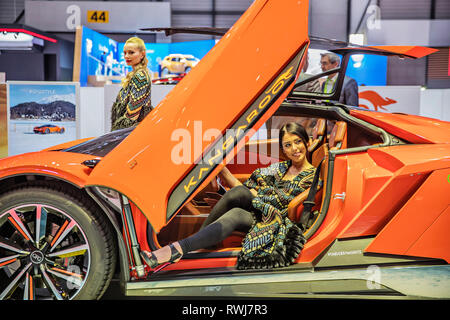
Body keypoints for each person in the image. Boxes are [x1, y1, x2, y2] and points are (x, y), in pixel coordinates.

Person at [140, 122, 317, 270]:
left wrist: (255, 193)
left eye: (298, 142)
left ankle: (178, 249)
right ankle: (195, 244)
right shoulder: (281, 168)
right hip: (261, 211)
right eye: (288, 145)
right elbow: (251, 189)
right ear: (283, 149)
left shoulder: (311, 176)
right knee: (238, 193)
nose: (294, 148)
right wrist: (220, 170)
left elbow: (281, 202)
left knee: (237, 211)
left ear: (307, 142)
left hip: (278, 219)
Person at [111, 37, 152, 131]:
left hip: (132, 131)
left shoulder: (140, 76)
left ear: (142, 54)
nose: (126, 56)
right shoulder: (136, 74)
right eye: (125, 53)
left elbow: (133, 113)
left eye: (131, 52)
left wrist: (118, 131)